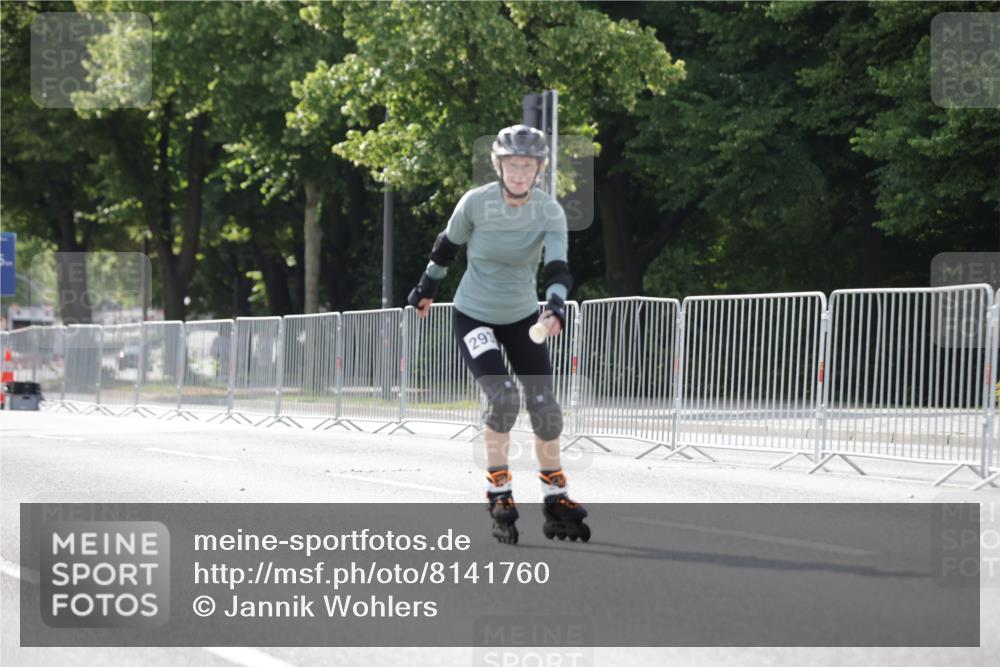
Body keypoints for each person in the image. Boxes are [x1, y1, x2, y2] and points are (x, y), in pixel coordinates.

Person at [407, 125, 589, 544]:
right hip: (474, 317)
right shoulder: (476, 202)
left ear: (539, 169)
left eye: (528, 166)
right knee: (504, 397)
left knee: (545, 407)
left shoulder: (550, 212)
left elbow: (558, 267)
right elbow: (445, 248)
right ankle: (499, 490)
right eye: (512, 165)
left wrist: (555, 305)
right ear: (499, 166)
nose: (520, 173)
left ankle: (555, 495)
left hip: (523, 318)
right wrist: (427, 288)